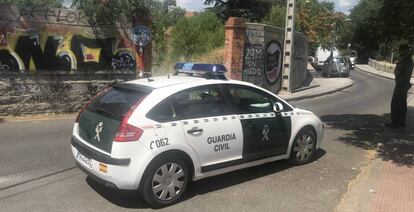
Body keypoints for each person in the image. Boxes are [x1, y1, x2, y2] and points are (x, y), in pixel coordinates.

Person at [385, 44, 414, 128]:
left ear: (405, 51)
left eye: (401, 50)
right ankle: (400, 122)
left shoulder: (406, 61)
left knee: (396, 104)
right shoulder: (407, 60)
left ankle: (395, 122)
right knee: (401, 104)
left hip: (401, 84)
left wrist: (398, 67)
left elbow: (400, 72)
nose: (400, 52)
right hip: (403, 84)